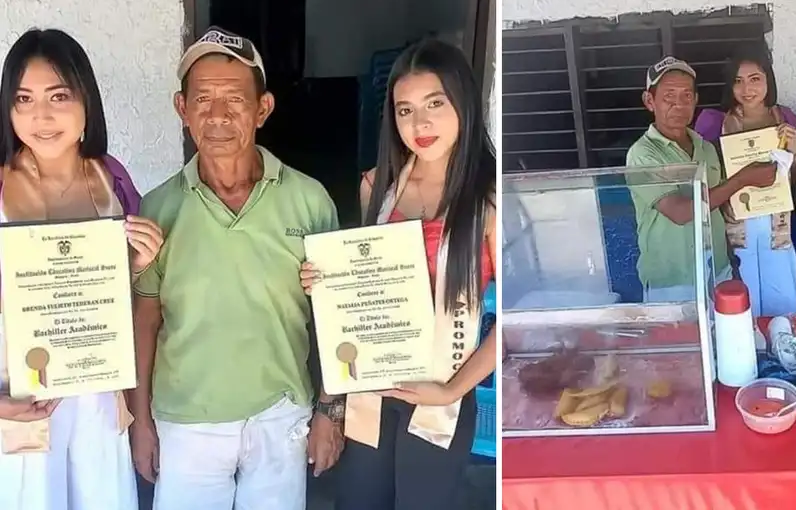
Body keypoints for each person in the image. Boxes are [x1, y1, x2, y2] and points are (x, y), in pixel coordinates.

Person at [128, 27, 341, 510]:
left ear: (262, 108)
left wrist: (331, 411)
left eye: (235, 100)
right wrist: (140, 420)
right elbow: (145, 321)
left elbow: (337, 314)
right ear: (182, 109)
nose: (218, 115)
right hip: (186, 421)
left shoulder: (309, 201)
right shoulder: (158, 208)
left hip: (280, 417)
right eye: (202, 98)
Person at [299, 39, 496, 510]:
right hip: (370, 389)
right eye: (405, 110)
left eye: (435, 104)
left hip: (441, 390)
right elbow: (353, 306)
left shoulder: (489, 201)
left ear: (463, 104)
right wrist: (329, 285)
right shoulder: (377, 188)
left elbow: (517, 313)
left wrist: (451, 388)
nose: (420, 123)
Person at [0, 28, 165, 510]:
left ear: (86, 101)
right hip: (20, 397)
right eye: (24, 99)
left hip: (99, 396)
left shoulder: (110, 178)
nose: (42, 116)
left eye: (59, 96)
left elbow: (134, 304)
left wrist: (137, 265)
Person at [626, 56, 778, 302]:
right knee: (679, 342)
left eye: (686, 96)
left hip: (718, 273)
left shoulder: (705, 147)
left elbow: (716, 208)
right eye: (668, 96)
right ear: (649, 101)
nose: (678, 104)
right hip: (672, 283)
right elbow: (681, 213)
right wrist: (742, 179)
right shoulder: (643, 154)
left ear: (696, 100)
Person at [694, 44, 796, 316]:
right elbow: (705, 177)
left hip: (776, 228)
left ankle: (782, 354)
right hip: (735, 230)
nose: (747, 89)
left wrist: (795, 151)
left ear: (768, 80)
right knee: (741, 306)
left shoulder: (786, 119)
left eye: (755, 79)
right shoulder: (713, 123)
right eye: (738, 81)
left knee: (783, 307)